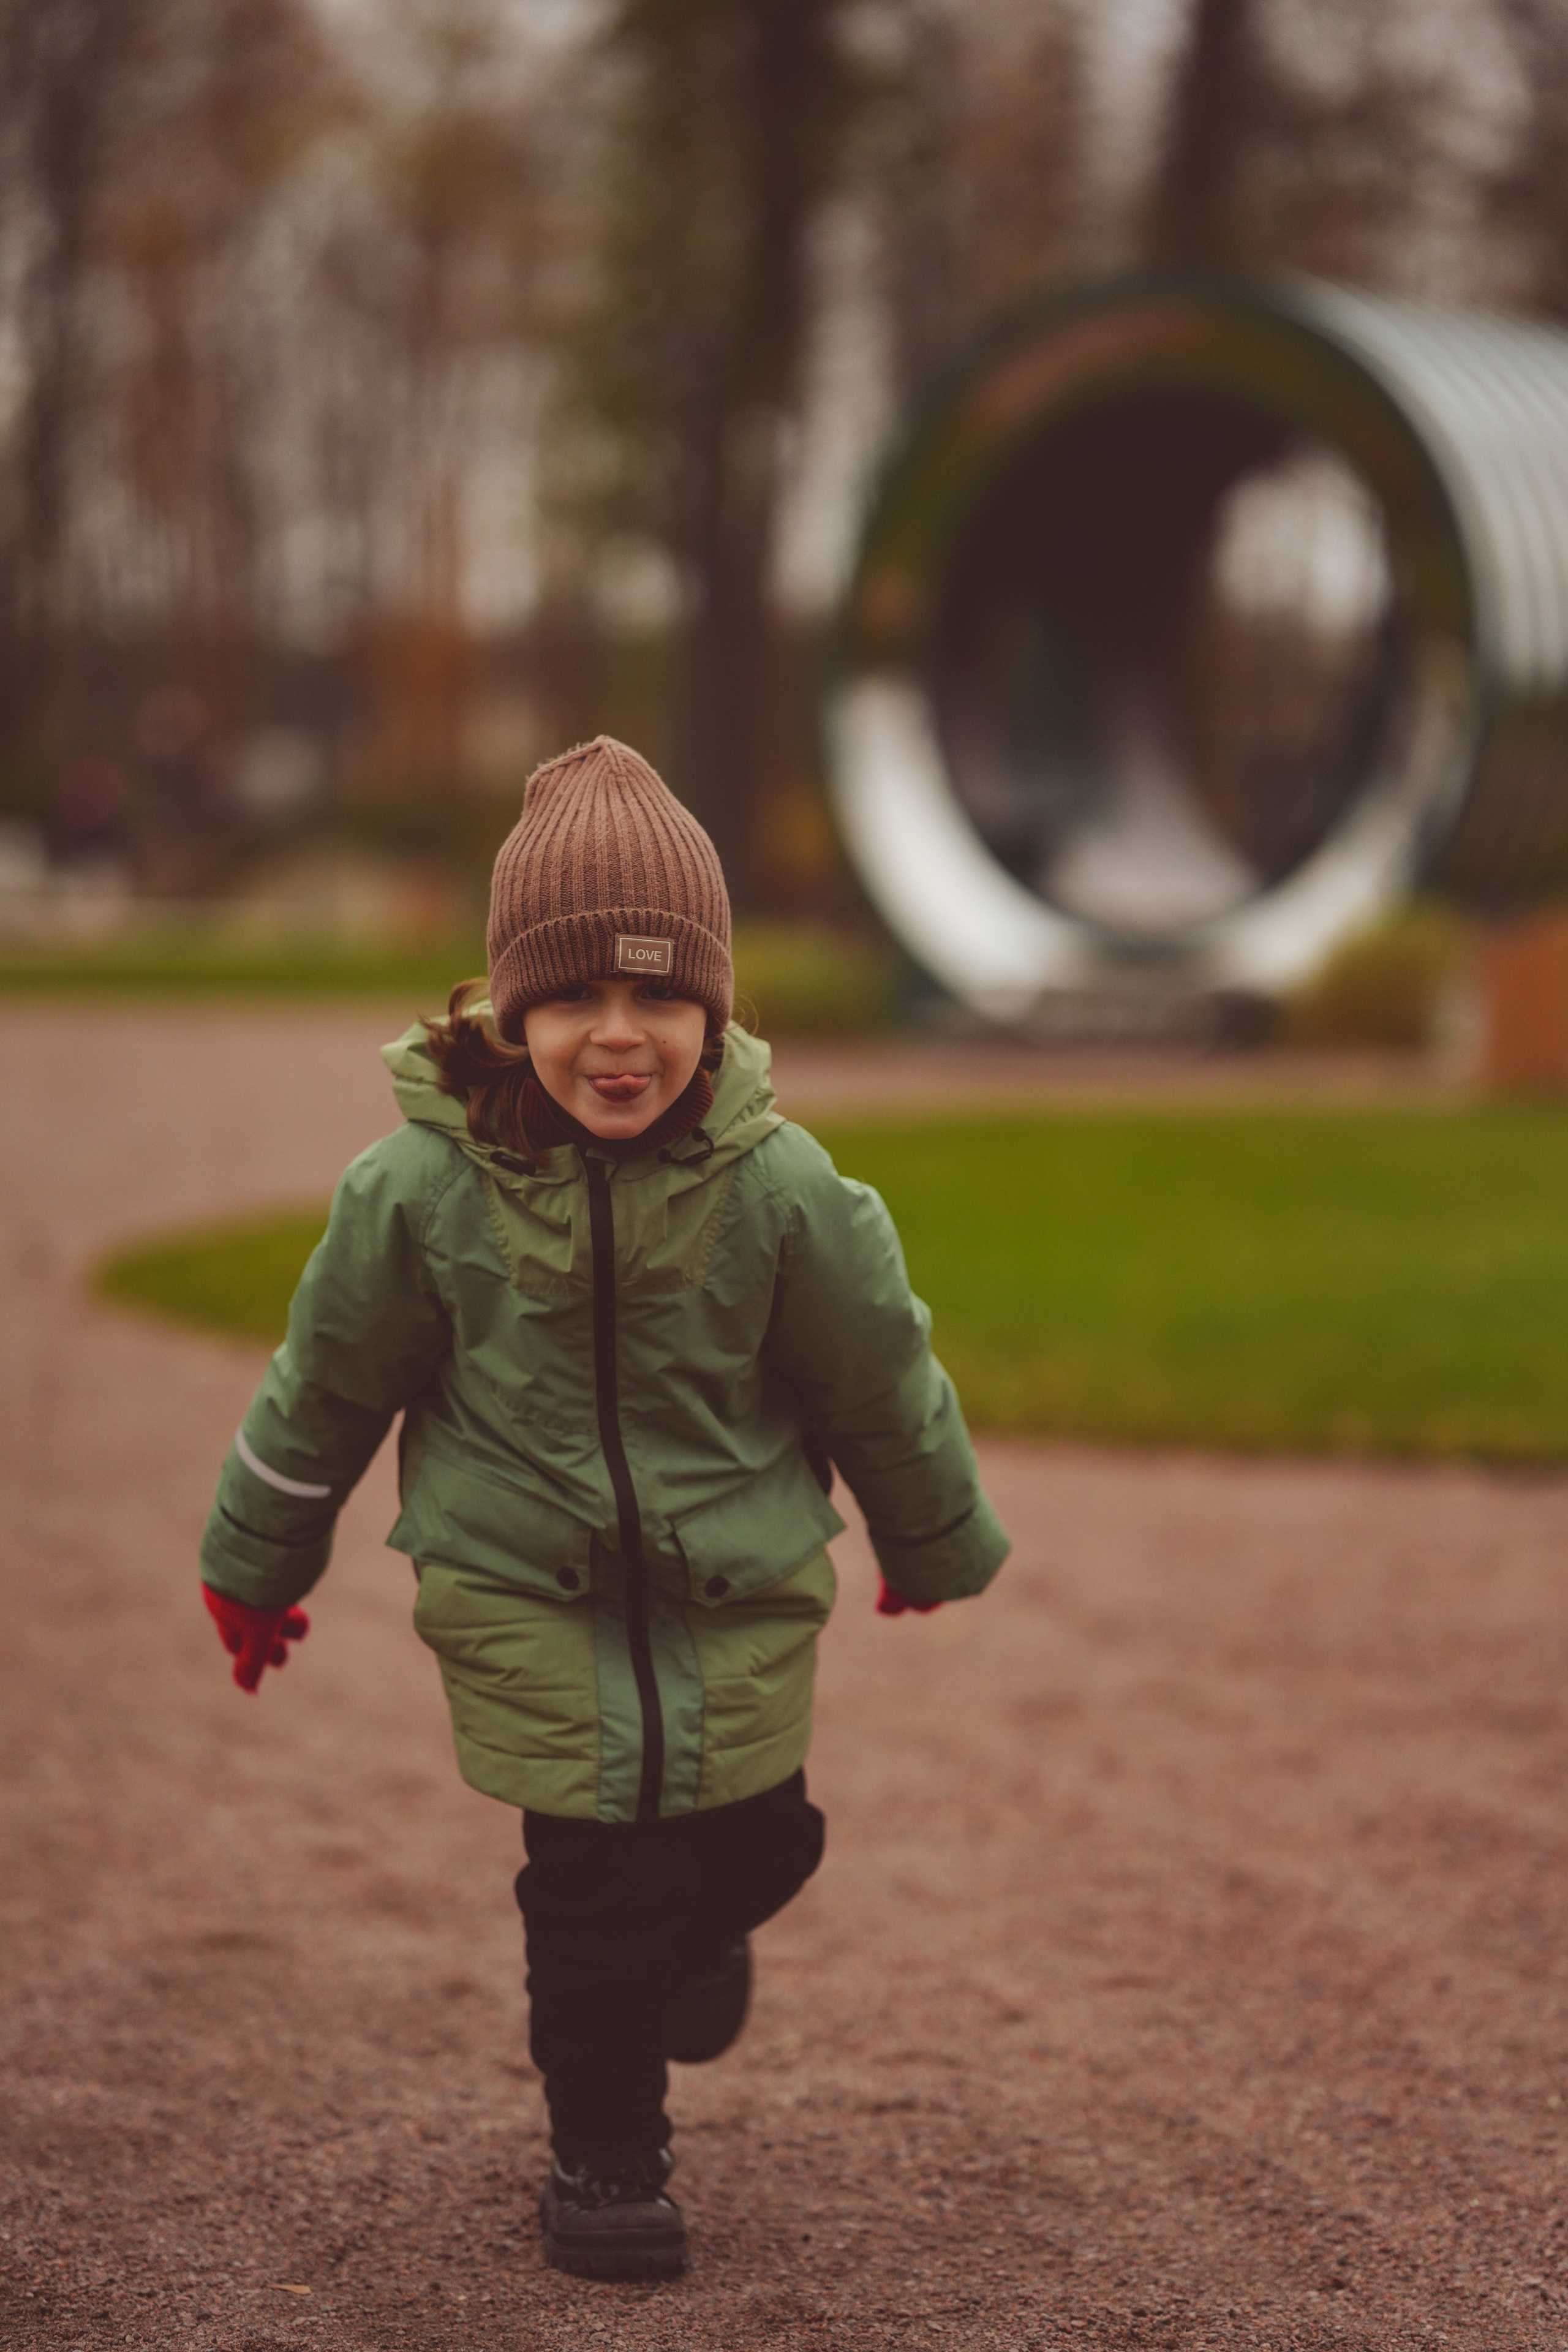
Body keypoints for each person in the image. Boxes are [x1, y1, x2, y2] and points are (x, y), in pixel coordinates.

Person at [198, 735, 1009, 2280]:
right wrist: (255, 1561)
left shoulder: (783, 1191)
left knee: (764, 1840)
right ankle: (607, 2160)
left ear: (716, 1010)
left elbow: (877, 1377)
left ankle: (701, 1931)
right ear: (512, 1012)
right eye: (572, 997)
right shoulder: (417, 1194)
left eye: (658, 998)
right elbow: (324, 1387)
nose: (618, 1037)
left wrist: (926, 1535)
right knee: (584, 1901)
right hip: (523, 1598)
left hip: (735, 1598)